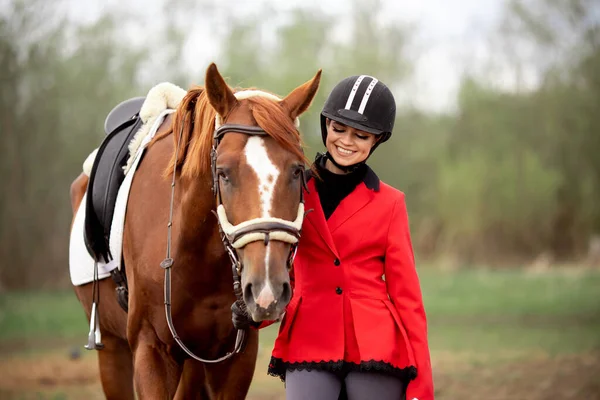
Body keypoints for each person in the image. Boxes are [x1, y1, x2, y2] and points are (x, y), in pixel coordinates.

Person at [232, 75, 434, 400]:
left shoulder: (391, 203)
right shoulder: (294, 190)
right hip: (309, 336)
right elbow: (284, 268)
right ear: (326, 125)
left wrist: (421, 387)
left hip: (375, 343)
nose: (346, 141)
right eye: (339, 129)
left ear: (377, 140)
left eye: (361, 135)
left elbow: (409, 300)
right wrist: (257, 312)